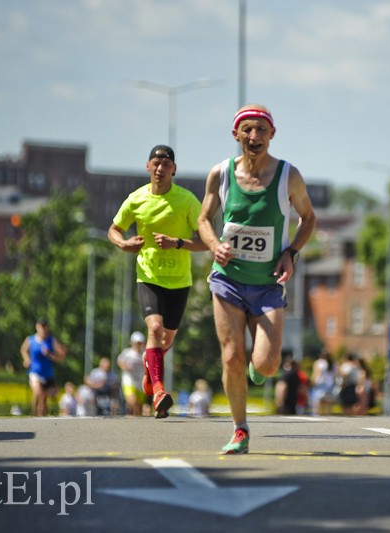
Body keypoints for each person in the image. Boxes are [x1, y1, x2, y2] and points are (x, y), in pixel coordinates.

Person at [197, 104, 316, 454]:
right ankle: (240, 430)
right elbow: (204, 219)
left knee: (266, 363)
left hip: (267, 284)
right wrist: (215, 244)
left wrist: (290, 252)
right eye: (247, 130)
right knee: (231, 356)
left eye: (261, 130)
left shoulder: (287, 176)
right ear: (236, 134)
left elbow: (308, 218)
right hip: (228, 281)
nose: (254, 137)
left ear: (272, 135)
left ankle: (258, 369)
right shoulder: (220, 175)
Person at [108, 144, 206, 419]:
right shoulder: (136, 199)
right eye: (156, 163)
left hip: (179, 280)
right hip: (148, 276)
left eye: (166, 164)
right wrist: (124, 244)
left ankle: (151, 372)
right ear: (148, 167)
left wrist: (177, 243)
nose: (160, 168)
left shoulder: (187, 200)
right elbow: (114, 229)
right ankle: (160, 391)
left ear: (174, 169)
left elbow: (206, 241)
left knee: (166, 340)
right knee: (154, 327)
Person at [20, 317, 67, 416]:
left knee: (44, 398)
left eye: (45, 327)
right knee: (38, 393)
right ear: (37, 327)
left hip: (48, 374)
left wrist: (49, 355)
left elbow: (61, 356)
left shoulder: (51, 340)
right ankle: (34, 415)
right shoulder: (30, 339)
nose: (43, 329)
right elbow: (23, 349)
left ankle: (42, 419)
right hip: (34, 371)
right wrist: (26, 359)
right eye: (41, 327)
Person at [117, 331, 147, 416]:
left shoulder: (144, 354)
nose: (138, 345)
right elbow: (119, 361)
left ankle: (133, 421)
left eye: (140, 343)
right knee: (132, 402)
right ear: (132, 343)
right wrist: (124, 366)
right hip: (129, 380)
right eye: (137, 343)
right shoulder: (127, 352)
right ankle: (129, 414)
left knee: (139, 407)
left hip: (140, 382)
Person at [310, 351, 336, 416]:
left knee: (318, 404)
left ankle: (318, 417)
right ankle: (328, 416)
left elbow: (315, 374)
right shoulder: (333, 364)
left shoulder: (319, 363)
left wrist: (312, 382)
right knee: (328, 404)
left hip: (320, 384)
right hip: (330, 385)